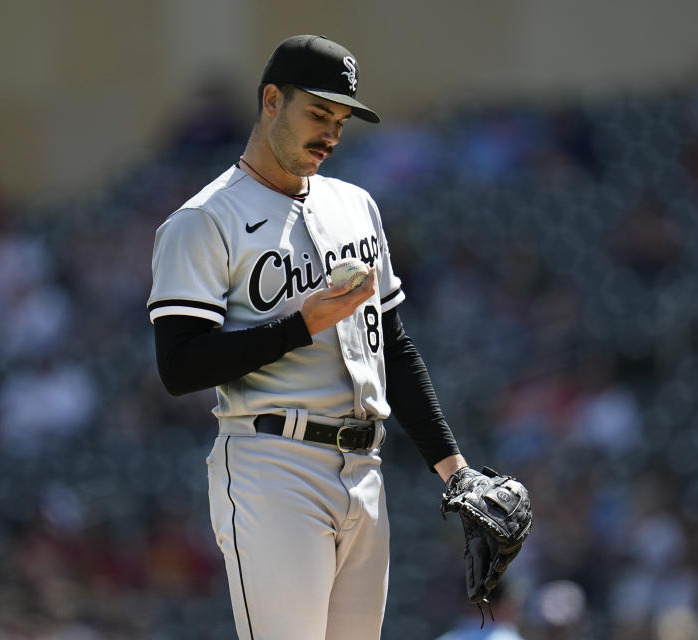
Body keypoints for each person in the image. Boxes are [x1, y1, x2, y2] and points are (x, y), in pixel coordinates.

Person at [147, 35, 469, 640]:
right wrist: (301, 325)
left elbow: (392, 346)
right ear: (272, 100)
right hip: (274, 465)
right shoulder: (203, 221)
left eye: (341, 121)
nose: (331, 133)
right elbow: (180, 365)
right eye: (318, 113)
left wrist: (456, 472)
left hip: (366, 469)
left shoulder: (356, 206)